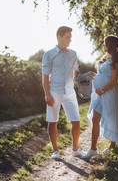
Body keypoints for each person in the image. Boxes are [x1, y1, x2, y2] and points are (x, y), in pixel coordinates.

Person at [42, 26, 84, 159]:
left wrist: (80, 76)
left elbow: (76, 71)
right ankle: (55, 150)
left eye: (70, 38)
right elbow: (44, 77)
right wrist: (47, 94)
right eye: (67, 37)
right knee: (52, 121)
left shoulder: (73, 53)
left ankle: (75, 149)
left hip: (70, 92)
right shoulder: (48, 54)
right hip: (54, 91)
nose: (69, 40)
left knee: (76, 121)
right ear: (59, 37)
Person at [82, 35, 118, 159]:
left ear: (110, 45)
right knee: (95, 118)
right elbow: (105, 75)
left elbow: (113, 80)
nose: (103, 45)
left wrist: (102, 89)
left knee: (112, 118)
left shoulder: (116, 59)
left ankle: (112, 147)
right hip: (100, 94)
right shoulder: (106, 58)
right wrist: (94, 75)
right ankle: (93, 149)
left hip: (109, 93)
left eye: (105, 43)